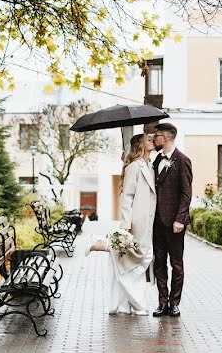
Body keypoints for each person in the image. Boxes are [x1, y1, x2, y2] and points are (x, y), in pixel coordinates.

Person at [81, 133, 156, 315]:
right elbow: (127, 197)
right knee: (138, 258)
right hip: (137, 221)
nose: (152, 141)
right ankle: (137, 304)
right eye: (148, 139)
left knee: (136, 259)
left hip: (150, 221)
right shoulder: (134, 167)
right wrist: (126, 224)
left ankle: (103, 246)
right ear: (140, 145)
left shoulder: (150, 166)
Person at [150, 122, 192, 318]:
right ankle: (162, 303)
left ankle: (175, 303)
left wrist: (180, 220)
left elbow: (186, 194)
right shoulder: (157, 160)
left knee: (176, 264)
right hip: (157, 222)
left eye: (156, 136)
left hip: (175, 224)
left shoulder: (182, 160)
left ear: (165, 137)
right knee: (159, 263)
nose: (154, 139)